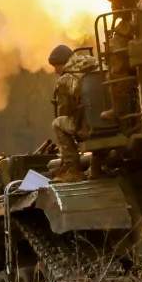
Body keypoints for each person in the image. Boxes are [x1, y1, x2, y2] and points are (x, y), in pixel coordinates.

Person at [48, 44, 97, 182]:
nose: (56, 71)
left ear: (62, 63)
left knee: (58, 123)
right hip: (111, 121)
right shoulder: (95, 65)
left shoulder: (65, 79)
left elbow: (66, 111)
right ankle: (97, 164)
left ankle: (73, 170)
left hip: (87, 126)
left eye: (56, 67)